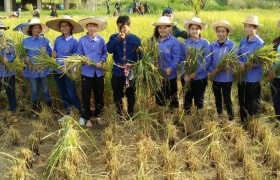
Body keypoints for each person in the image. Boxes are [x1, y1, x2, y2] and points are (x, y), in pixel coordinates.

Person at [46, 15, 84, 122]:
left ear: (71, 27)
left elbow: (77, 58)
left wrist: (67, 68)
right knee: (63, 93)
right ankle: (68, 113)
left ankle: (81, 114)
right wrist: (53, 54)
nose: (64, 28)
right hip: (57, 70)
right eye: (62, 26)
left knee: (71, 93)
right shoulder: (58, 39)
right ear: (60, 28)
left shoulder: (75, 41)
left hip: (69, 71)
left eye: (67, 26)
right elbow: (55, 54)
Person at [107, 15, 142, 118]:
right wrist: (118, 39)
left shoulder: (136, 39)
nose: (121, 29)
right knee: (117, 93)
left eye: (124, 27)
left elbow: (140, 56)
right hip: (117, 70)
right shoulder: (114, 37)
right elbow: (109, 49)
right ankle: (119, 113)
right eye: (119, 27)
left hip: (131, 71)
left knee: (131, 93)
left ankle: (130, 113)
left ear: (129, 26)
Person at [77, 17, 108, 127]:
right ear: (87, 27)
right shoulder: (82, 40)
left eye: (94, 26)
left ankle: (98, 115)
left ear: (97, 28)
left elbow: (105, 53)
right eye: (90, 26)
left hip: (98, 72)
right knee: (86, 95)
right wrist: (83, 60)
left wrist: (101, 61)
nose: (92, 28)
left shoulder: (101, 39)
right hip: (86, 72)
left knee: (99, 95)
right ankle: (88, 117)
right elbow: (79, 55)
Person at [237, 15, 265, 123]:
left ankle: (254, 123)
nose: (248, 29)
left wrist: (251, 64)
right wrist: (241, 63)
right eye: (246, 26)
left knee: (253, 102)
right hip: (242, 76)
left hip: (253, 78)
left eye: (250, 27)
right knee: (242, 100)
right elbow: (238, 55)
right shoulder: (242, 41)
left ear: (255, 28)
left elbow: (261, 61)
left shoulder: (260, 43)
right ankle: (243, 122)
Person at [21, 18, 52, 113]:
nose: (37, 30)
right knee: (34, 90)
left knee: (45, 90)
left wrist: (45, 52)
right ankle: (36, 109)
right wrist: (25, 59)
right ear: (31, 29)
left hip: (43, 70)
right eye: (34, 28)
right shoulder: (25, 41)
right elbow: (22, 54)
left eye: (39, 28)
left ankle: (49, 108)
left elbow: (51, 54)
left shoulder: (45, 41)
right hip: (31, 70)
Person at [181, 17, 211, 114]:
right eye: (192, 29)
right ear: (188, 30)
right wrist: (185, 73)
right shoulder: (185, 43)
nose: (194, 31)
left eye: (196, 29)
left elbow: (207, 60)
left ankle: (199, 118)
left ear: (200, 30)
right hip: (186, 77)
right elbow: (181, 60)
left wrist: (195, 72)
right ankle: (187, 118)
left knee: (199, 99)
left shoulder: (205, 43)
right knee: (187, 98)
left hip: (200, 77)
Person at [152, 16, 181, 109]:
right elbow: (149, 55)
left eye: (165, 27)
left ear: (170, 28)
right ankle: (162, 114)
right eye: (160, 27)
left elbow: (177, 58)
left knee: (172, 96)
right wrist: (152, 65)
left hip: (170, 75)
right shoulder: (153, 40)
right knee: (159, 96)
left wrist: (171, 68)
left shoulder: (174, 42)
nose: (162, 30)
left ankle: (173, 115)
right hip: (157, 74)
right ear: (157, 29)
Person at [209, 20, 235, 121]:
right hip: (215, 77)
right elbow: (209, 60)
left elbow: (234, 60)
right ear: (216, 32)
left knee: (227, 98)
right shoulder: (212, 45)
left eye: (223, 31)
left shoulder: (231, 45)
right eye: (219, 31)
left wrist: (226, 66)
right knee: (217, 97)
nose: (220, 33)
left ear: (227, 33)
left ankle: (231, 118)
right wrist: (212, 70)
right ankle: (219, 115)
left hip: (227, 77)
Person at [0, 21, 17, 114]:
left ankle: (13, 109)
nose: (0, 30)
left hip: (9, 72)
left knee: (10, 91)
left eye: (1, 28)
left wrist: (8, 59)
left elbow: (14, 54)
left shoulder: (9, 41)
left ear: (4, 30)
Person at [268, 19, 280, 121]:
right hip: (275, 77)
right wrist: (271, 70)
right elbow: (270, 58)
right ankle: (278, 121)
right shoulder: (276, 41)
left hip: (276, 74)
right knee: (276, 100)